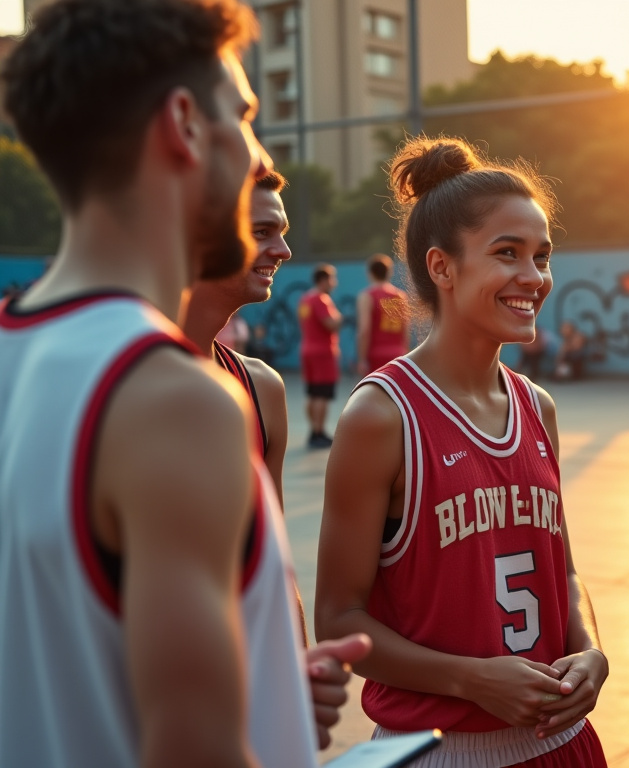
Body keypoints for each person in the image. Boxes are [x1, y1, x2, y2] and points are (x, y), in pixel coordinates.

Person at [0, 1, 369, 765]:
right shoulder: (174, 398)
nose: (254, 150)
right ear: (184, 125)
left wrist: (264, 681)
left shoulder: (18, 351)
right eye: (244, 116)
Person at [315, 136, 608, 767]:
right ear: (442, 267)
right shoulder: (382, 416)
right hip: (441, 750)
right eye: (508, 254)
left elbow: (564, 569)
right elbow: (339, 621)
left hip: (563, 745)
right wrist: (470, 680)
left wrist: (589, 648)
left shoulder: (538, 407)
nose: (533, 277)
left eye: (542, 256)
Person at [182, 169, 291, 497]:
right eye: (261, 232)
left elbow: (270, 544)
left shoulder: (263, 388)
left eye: (282, 233)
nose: (284, 250)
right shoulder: (115, 382)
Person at [299, 263, 342, 447]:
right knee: (322, 394)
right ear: (323, 280)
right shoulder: (321, 299)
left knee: (313, 392)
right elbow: (330, 323)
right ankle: (319, 432)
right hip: (323, 352)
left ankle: (314, 430)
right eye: (332, 278)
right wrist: (340, 318)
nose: (334, 283)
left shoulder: (305, 299)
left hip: (308, 349)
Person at [357, 252, 411, 375]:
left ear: (370, 273)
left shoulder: (367, 296)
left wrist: (361, 359)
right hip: (398, 354)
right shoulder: (401, 296)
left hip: (376, 356)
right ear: (389, 272)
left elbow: (364, 330)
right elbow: (406, 329)